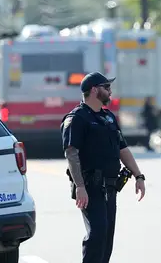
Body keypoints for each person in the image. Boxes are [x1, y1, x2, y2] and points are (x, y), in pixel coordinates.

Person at [60, 72, 146, 263]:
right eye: (106, 87)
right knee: (97, 236)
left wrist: (138, 176)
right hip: (90, 187)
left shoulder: (108, 117)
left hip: (110, 187)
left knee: (106, 239)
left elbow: (122, 148)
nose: (110, 91)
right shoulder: (77, 118)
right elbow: (72, 154)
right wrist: (80, 186)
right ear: (94, 90)